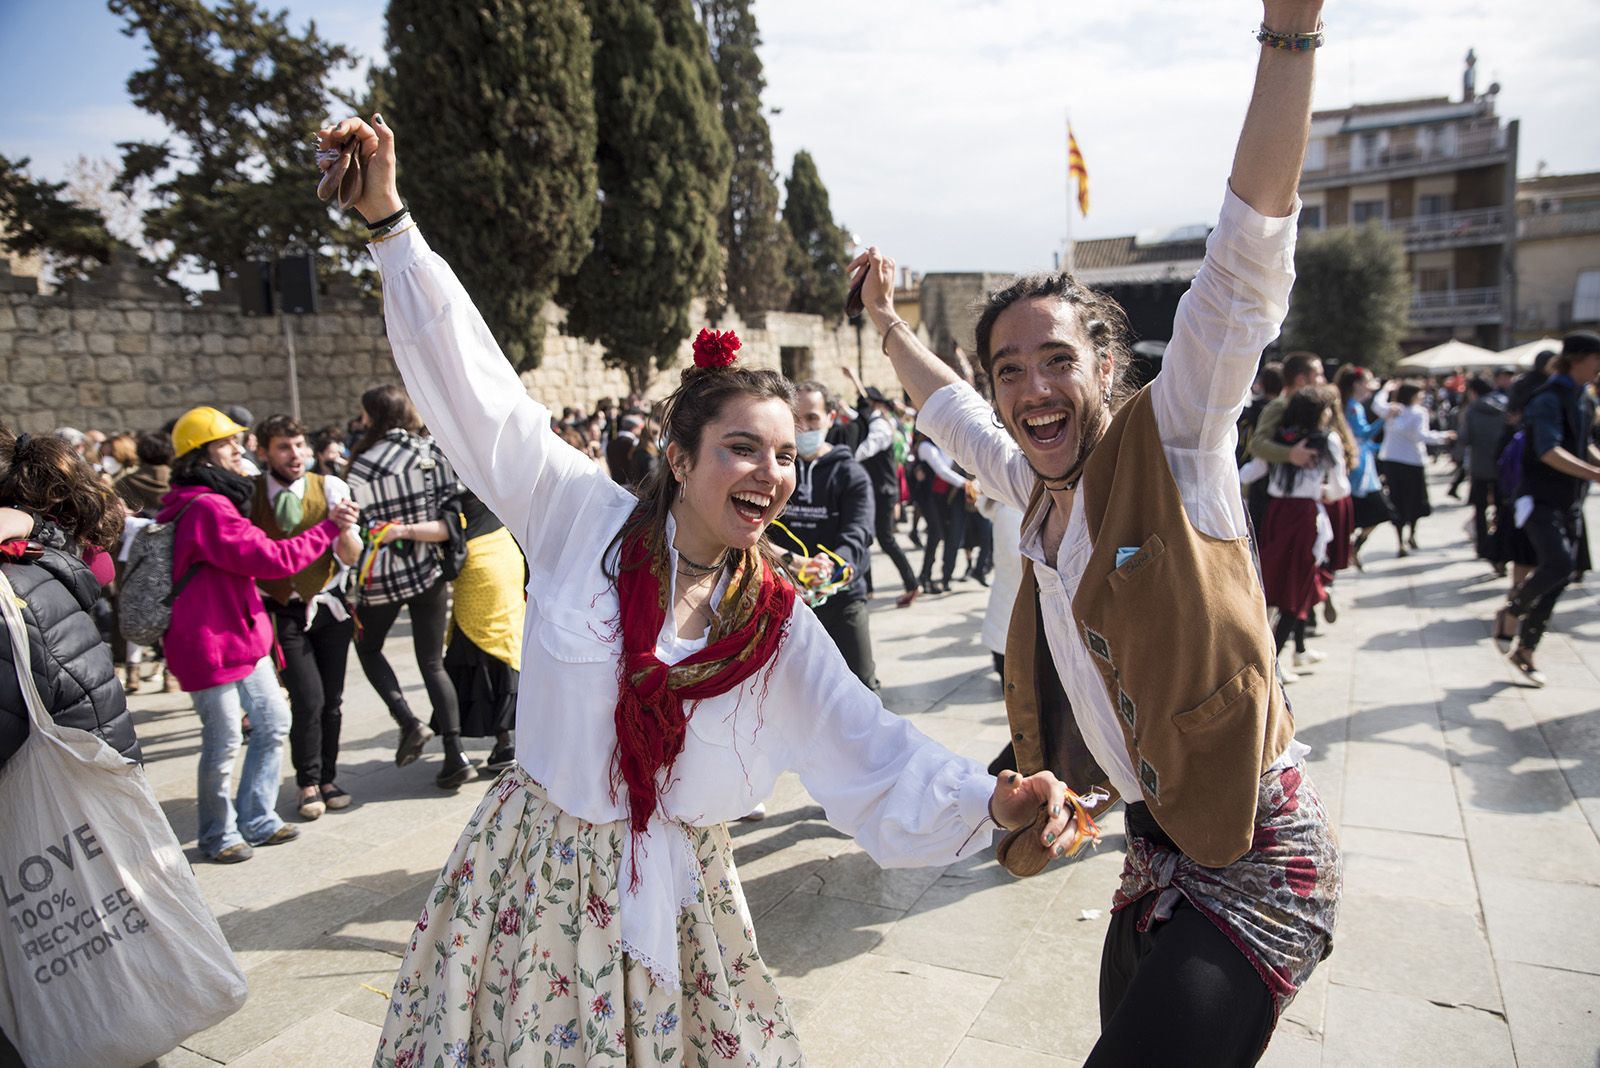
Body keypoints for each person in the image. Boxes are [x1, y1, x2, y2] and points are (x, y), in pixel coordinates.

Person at [317, 111, 1073, 1067]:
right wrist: (391, 225)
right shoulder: (577, 515)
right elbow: (479, 392)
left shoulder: (772, 619)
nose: (771, 472)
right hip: (531, 875)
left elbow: (867, 742)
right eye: (743, 448)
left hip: (680, 891)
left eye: (787, 454)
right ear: (678, 459)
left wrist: (993, 800)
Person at [851, 5, 1340, 1056]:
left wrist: (1287, 36)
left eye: (1057, 359)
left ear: (1105, 368)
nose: (1033, 388)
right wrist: (887, 323)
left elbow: (1246, 254)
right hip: (1150, 856)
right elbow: (944, 407)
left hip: (1255, 853)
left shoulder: (1177, 440)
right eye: (1010, 369)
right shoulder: (1027, 485)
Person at [157, 406, 359, 862]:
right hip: (209, 641)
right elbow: (271, 560)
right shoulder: (207, 507)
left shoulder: (219, 500)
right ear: (201, 455)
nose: (238, 448)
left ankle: (258, 818)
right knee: (226, 739)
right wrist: (329, 527)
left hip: (241, 634)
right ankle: (218, 834)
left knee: (272, 722)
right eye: (226, 443)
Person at [346, 383, 473, 787]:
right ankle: (455, 755)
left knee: (367, 647)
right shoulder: (430, 453)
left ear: (370, 416)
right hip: (427, 571)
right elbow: (453, 516)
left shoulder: (360, 463)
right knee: (432, 662)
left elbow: (358, 524)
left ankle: (407, 720)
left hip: (379, 573)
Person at [250, 414, 363, 820]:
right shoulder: (252, 494)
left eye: (298, 445)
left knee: (331, 699)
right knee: (307, 698)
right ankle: (308, 781)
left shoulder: (330, 487)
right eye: (283, 446)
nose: (294, 454)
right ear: (263, 452)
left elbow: (350, 556)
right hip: (283, 611)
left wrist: (347, 530)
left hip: (330, 607)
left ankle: (328, 777)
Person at [1496, 331, 1600, 686]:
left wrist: (1594, 468)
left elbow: (1581, 446)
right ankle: (1511, 611)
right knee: (1557, 562)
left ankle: (1525, 648)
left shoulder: (1584, 399)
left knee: (1563, 574)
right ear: (1579, 358)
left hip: (1569, 500)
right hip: (1537, 499)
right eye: (1596, 359)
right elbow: (1548, 450)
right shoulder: (1547, 399)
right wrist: (1594, 474)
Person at [1239, 385, 1350, 680]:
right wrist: (1325, 491)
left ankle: (1297, 650)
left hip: (1276, 514)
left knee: (1282, 584)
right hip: (1304, 518)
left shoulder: (1280, 440)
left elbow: (1252, 471)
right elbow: (1340, 487)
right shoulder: (1327, 441)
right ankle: (1272, 664)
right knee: (1295, 589)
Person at [779, 380, 879, 689]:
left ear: (830, 418)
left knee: (860, 685)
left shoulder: (850, 474)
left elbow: (858, 533)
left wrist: (830, 568)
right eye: (796, 418)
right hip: (784, 597)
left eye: (812, 418)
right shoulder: (776, 471)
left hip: (842, 597)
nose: (803, 426)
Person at [442, 487, 525, 773]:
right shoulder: (486, 467)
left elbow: (446, 528)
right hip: (505, 552)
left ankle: (500, 742)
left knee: (479, 647)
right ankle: (506, 740)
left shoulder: (445, 476)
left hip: (480, 563)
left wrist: (399, 531)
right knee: (504, 643)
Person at [842, 364, 922, 606]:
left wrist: (844, 457)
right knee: (865, 537)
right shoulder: (873, 420)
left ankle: (912, 584)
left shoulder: (880, 426)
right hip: (875, 491)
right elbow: (858, 412)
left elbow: (863, 451)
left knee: (885, 538)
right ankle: (867, 588)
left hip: (883, 492)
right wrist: (854, 377)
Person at [1378, 383, 1454, 555]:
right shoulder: (1419, 412)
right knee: (1414, 501)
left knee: (1397, 500)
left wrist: (1385, 390)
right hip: (1412, 461)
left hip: (1391, 460)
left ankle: (1400, 541)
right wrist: (1444, 436)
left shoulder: (1392, 409)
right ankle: (1411, 535)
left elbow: (1377, 404)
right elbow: (1422, 435)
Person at [1334, 364, 1394, 571]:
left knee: (1368, 513)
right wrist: (1385, 418)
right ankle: (1350, 549)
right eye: (1367, 383)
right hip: (1359, 471)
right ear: (1357, 384)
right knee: (1380, 511)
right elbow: (1364, 434)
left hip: (1361, 467)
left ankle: (1350, 549)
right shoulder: (1352, 406)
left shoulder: (1351, 405)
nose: (1370, 388)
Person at [914, 430, 976, 594]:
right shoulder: (926, 446)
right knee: (935, 535)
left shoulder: (941, 445)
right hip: (928, 497)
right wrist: (966, 484)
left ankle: (926, 576)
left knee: (938, 535)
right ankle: (924, 577)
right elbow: (942, 470)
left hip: (940, 499)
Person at [1461, 376, 1509, 567]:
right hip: (1502, 466)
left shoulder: (1472, 409)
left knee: (1480, 508)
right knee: (1502, 508)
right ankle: (1501, 550)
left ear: (1473, 391)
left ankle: (1483, 547)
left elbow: (1465, 438)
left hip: (1479, 466)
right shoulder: (1507, 405)